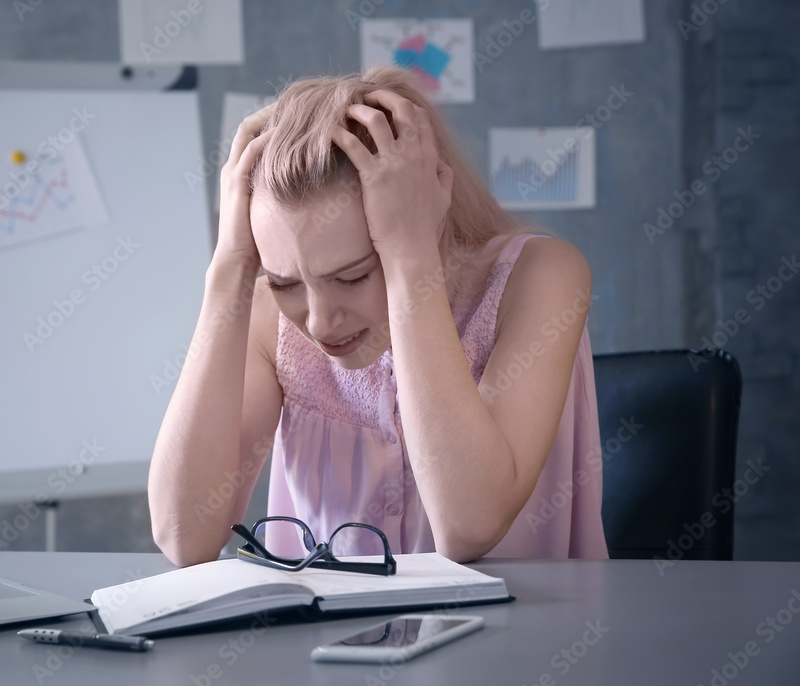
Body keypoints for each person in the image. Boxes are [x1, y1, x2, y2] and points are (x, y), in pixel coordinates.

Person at [148, 65, 608, 567]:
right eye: (285, 283)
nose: (320, 324)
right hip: (325, 645)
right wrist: (230, 271)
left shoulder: (543, 277)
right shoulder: (267, 320)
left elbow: (469, 527)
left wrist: (412, 258)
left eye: (352, 277)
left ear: (424, 214)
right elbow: (182, 536)